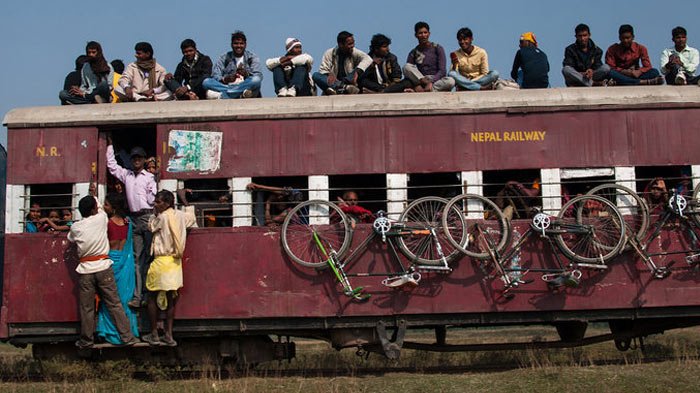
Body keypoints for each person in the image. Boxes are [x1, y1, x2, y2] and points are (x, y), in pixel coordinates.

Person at [68, 194, 138, 349]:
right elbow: (99, 206)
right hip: (104, 268)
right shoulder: (101, 219)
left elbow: (71, 238)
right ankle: (127, 337)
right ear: (95, 208)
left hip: (86, 270)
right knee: (114, 303)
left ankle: (87, 340)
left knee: (87, 307)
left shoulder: (76, 227)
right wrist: (93, 193)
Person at [106, 136, 157, 308]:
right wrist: (110, 146)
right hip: (134, 218)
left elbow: (153, 199)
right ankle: (138, 295)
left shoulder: (149, 177)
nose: (136, 161)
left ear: (143, 160)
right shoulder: (127, 175)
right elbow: (112, 167)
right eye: (134, 158)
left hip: (148, 216)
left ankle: (147, 295)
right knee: (137, 259)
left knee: (149, 257)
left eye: (139, 158)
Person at [141, 190, 196, 347]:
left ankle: (153, 334)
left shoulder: (162, 217)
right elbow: (191, 218)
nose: (155, 204)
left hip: (161, 261)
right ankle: (168, 335)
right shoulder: (179, 215)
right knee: (171, 299)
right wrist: (184, 200)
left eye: (158, 202)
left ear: (166, 204)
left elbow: (151, 227)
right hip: (174, 263)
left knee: (151, 297)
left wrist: (154, 214)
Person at [95, 193, 139, 344]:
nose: (103, 207)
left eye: (106, 205)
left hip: (111, 262)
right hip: (126, 263)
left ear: (113, 208)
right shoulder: (129, 223)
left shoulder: (107, 224)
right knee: (124, 299)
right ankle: (128, 330)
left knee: (110, 300)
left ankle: (111, 331)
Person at [202, 31, 263, 99]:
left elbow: (258, 76)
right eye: (236, 43)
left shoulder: (252, 57)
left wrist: (246, 74)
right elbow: (215, 75)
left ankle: (224, 95)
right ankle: (236, 94)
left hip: (245, 85)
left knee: (256, 80)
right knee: (206, 82)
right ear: (231, 44)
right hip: (227, 86)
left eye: (241, 43)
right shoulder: (224, 58)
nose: (238, 46)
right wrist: (225, 79)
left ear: (245, 45)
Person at [313, 31, 372, 95]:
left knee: (366, 68)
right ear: (341, 45)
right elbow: (323, 70)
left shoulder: (354, 51)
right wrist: (329, 74)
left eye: (353, 43)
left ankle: (342, 88)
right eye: (349, 44)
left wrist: (358, 71)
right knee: (316, 75)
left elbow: (368, 59)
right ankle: (343, 88)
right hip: (334, 83)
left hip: (349, 81)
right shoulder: (330, 53)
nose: (352, 46)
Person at [404, 21, 455, 92]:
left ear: (429, 34)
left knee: (450, 81)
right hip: (421, 80)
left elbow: (442, 71)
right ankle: (425, 88)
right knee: (406, 67)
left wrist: (431, 81)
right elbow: (409, 72)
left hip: (436, 79)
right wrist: (419, 84)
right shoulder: (413, 52)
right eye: (420, 33)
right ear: (416, 35)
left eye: (425, 32)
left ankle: (425, 90)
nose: (423, 35)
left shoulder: (437, 48)